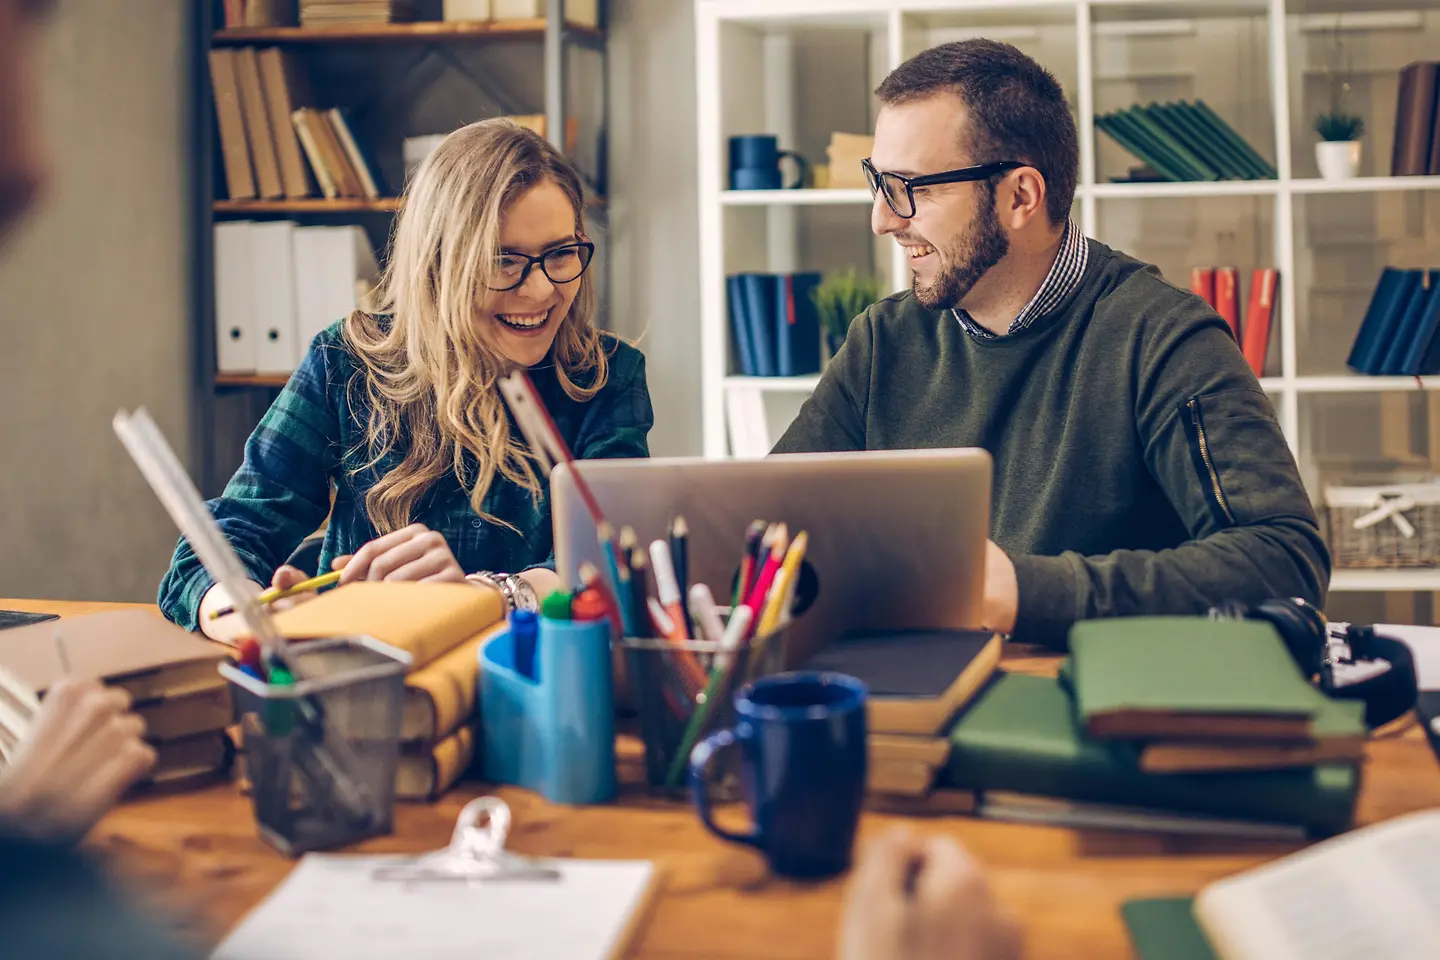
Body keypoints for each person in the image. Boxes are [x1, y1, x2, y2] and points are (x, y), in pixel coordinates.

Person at [773, 40, 1329, 646]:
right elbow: (767, 530)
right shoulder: (882, 342)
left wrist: (1021, 593)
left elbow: (1283, 560)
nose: (882, 219)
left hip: (1095, 690)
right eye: (878, 182)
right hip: (912, 683)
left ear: (1020, 196)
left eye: (912, 188)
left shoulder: (1163, 338)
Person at [158, 118, 654, 639]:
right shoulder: (346, 361)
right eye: (502, 261)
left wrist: (487, 597)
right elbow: (221, 543)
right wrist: (253, 619)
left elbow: (609, 560)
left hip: (535, 671)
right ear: (437, 261)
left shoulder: (607, 377)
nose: (540, 290)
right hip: (375, 667)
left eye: (560, 254)